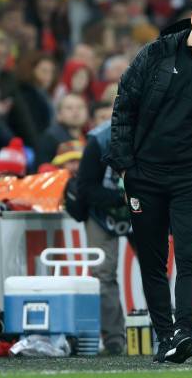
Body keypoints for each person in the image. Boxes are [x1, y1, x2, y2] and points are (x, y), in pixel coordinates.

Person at [105, 0, 192, 364]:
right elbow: (124, 107)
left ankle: (183, 331)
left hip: (191, 178)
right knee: (152, 261)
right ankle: (165, 336)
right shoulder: (155, 54)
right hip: (144, 174)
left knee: (188, 257)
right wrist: (123, 165)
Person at [64, 120, 130, 355]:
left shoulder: (154, 132)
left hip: (141, 205)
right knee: (103, 273)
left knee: (154, 268)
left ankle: (163, 333)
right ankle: (114, 341)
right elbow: (86, 187)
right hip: (101, 210)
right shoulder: (99, 141)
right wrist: (121, 198)